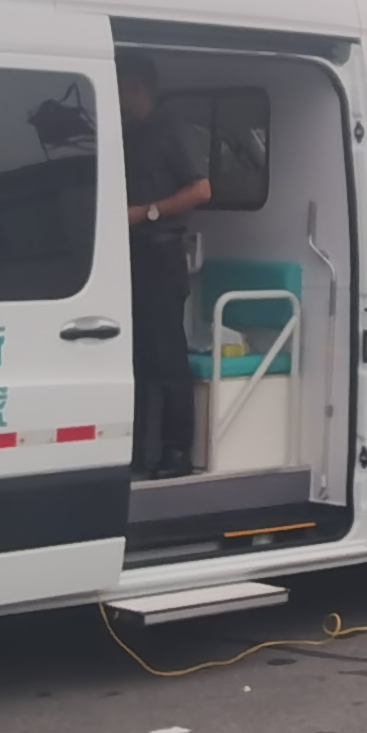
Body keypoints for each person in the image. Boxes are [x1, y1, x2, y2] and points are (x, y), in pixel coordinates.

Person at [118, 57, 215, 479]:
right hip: (132, 255)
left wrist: (147, 213)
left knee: (167, 356)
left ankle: (177, 451)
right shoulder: (128, 132)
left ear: (136, 87)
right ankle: (140, 448)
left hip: (160, 251)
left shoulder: (171, 127)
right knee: (136, 356)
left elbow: (201, 189)